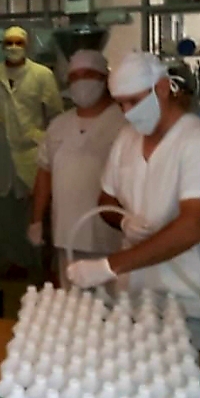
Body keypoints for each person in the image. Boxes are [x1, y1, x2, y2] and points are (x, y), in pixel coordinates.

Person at [67, 52, 200, 351]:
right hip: (134, 296)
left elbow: (192, 228)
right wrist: (123, 221)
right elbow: (106, 198)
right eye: (120, 104)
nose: (127, 112)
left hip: (189, 301)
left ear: (161, 88)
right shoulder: (126, 139)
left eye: (134, 101)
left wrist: (109, 266)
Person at [29, 50, 125, 288]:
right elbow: (45, 172)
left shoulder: (124, 123)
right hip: (67, 234)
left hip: (112, 237)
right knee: (73, 302)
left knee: (114, 303)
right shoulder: (58, 125)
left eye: (89, 75)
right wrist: (37, 219)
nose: (81, 82)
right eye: (74, 77)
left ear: (105, 79)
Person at [0, 26, 64, 278]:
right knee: (7, 215)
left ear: (27, 46)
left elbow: (56, 114)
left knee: (38, 213)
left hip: (32, 154)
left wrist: (41, 138)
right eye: (9, 42)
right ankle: (16, 262)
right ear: (2, 46)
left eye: (18, 42)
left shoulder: (42, 75)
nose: (13, 47)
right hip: (2, 154)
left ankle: (44, 265)